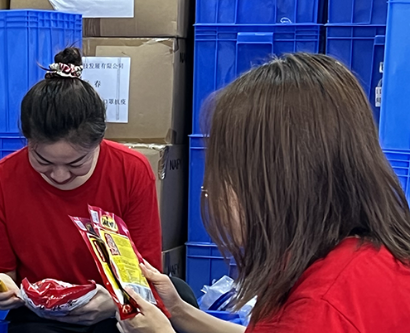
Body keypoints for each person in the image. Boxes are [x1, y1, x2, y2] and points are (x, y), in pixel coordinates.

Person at [117, 53, 410, 333]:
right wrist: (180, 313)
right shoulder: (367, 255)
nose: (213, 190)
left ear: (272, 180)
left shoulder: (319, 307)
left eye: (224, 171)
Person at [0, 47, 197, 333]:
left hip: (118, 310)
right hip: (41, 320)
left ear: (99, 142)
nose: (59, 175)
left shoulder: (130, 170)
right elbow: (0, 273)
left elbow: (145, 271)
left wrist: (114, 302)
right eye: (42, 161)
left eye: (77, 163)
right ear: (27, 141)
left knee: (179, 294)